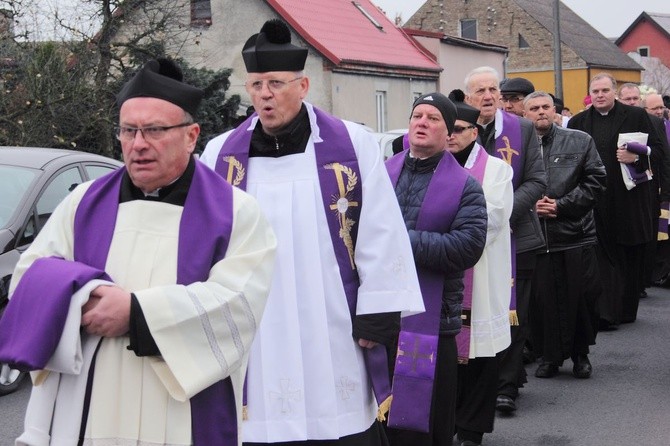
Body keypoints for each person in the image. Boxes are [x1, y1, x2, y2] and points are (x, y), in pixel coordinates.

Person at [0, 58, 278, 445]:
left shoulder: (236, 213)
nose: (138, 144)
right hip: (83, 401)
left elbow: (238, 306)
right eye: (128, 131)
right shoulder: (83, 202)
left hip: (180, 413)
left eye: (155, 130)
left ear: (191, 135)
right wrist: (84, 295)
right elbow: (29, 278)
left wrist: (136, 314)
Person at [200, 19, 424, 445]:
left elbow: (380, 228)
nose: (264, 94)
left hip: (332, 314)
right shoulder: (221, 154)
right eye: (256, 85)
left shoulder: (351, 146)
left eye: (276, 83)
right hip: (257, 320)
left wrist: (378, 312)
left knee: (335, 418)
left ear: (302, 87)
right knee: (260, 418)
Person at [384, 92, 487, 446]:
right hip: (381, 315)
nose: (422, 123)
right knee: (380, 414)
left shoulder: (466, 187)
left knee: (425, 424)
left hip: (434, 320)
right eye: (417, 116)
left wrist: (402, 240)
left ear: (448, 135)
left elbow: (466, 247)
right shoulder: (383, 173)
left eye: (433, 118)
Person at [464, 66, 547, 413]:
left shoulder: (522, 129)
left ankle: (507, 385)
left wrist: (502, 214)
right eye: (479, 90)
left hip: (518, 235)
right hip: (468, 238)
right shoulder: (459, 129)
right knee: (477, 307)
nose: (487, 96)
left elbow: (537, 180)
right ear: (467, 97)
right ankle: (476, 380)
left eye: (492, 89)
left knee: (515, 310)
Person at [568, 73, 665, 326]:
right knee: (599, 257)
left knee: (628, 254)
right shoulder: (578, 121)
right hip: (594, 200)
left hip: (628, 199)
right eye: (595, 91)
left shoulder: (636, 116)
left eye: (605, 91)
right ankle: (603, 311)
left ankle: (625, 310)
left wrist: (637, 159)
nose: (600, 95)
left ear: (614, 92)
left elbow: (657, 152)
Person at [523, 91, 606, 380]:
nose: (541, 112)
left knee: (582, 298)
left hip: (574, 233)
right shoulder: (517, 146)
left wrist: (561, 206)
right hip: (537, 238)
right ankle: (549, 357)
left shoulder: (579, 140)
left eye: (546, 106)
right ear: (525, 114)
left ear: (555, 110)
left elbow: (596, 180)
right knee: (543, 301)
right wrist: (531, 207)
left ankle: (581, 355)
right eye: (534, 108)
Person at [446, 101, 513, 446]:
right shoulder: (429, 164)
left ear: (474, 132)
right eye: (447, 128)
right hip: (437, 274)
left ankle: (471, 429)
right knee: (444, 357)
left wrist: (442, 230)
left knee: (479, 355)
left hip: (479, 274)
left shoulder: (496, 171)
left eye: (458, 129)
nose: (450, 135)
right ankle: (445, 424)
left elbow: (491, 219)